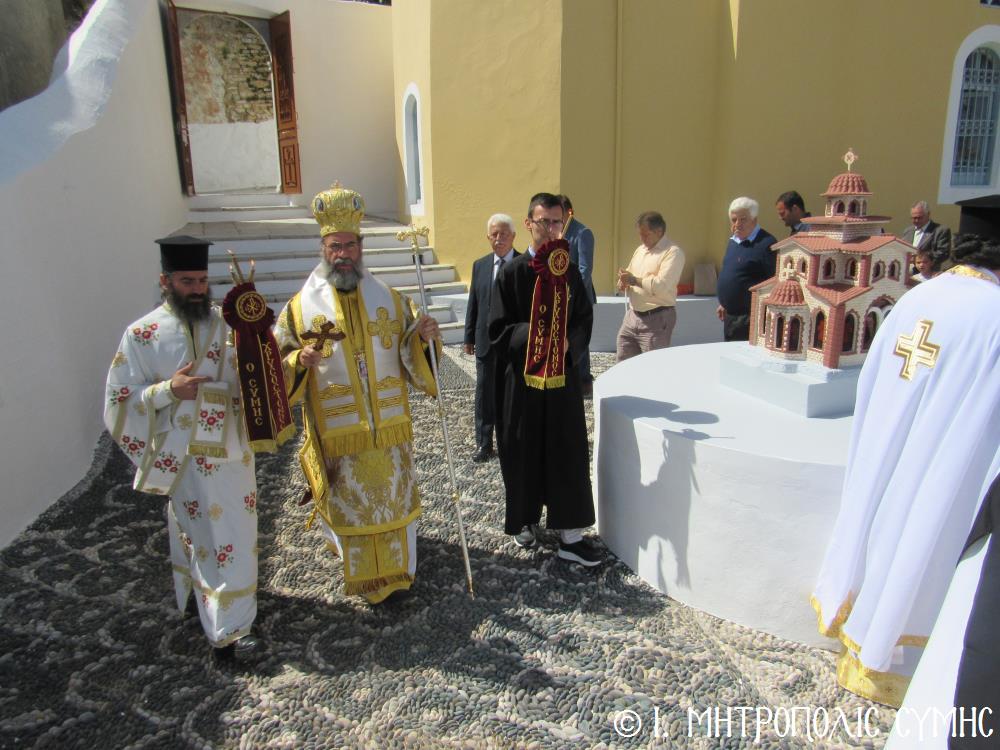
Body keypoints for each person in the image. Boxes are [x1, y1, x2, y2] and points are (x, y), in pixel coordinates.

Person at [811, 235, 1000, 708]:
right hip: (945, 458)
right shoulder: (994, 314)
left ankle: (853, 615)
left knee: (882, 516)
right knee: (922, 533)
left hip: (889, 444)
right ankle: (891, 647)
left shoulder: (919, 295)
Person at [274, 183, 441, 604]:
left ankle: (400, 574)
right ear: (323, 248)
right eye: (335, 246)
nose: (343, 253)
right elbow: (278, 361)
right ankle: (367, 581)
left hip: (388, 433)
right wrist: (299, 363)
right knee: (355, 504)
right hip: (341, 434)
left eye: (350, 245)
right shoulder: (298, 309)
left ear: (361, 247)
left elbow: (412, 348)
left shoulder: (391, 298)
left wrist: (424, 338)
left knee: (392, 503)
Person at [104, 235, 262, 660]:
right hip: (184, 455)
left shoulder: (227, 324)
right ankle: (229, 629)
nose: (196, 288)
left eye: (202, 280)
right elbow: (119, 401)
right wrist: (167, 391)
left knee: (237, 533)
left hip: (231, 449)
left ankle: (232, 612)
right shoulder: (142, 334)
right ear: (165, 280)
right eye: (187, 279)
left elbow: (257, 371)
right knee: (205, 534)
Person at [488, 192, 601, 566]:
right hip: (522, 386)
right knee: (522, 451)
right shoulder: (512, 272)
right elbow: (498, 331)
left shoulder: (568, 270)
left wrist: (569, 343)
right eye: (544, 222)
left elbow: (584, 318)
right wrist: (536, 336)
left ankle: (571, 536)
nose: (551, 229)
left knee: (567, 451)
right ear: (529, 224)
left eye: (557, 222)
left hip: (562, 384)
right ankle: (524, 522)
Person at [464, 214, 519, 462]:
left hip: (512, 345)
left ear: (513, 236)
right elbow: (473, 303)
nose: (499, 239)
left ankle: (511, 443)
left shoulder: (524, 264)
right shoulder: (480, 265)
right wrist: (468, 337)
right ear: (488, 237)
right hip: (485, 342)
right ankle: (484, 444)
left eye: (504, 234)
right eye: (494, 234)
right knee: (484, 395)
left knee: (511, 396)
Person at [615, 211, 685, 361]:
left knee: (652, 365)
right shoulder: (640, 250)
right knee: (623, 360)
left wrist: (633, 280)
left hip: (657, 318)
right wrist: (623, 281)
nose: (642, 238)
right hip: (633, 316)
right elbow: (630, 274)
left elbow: (661, 285)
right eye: (640, 234)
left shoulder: (673, 253)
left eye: (645, 235)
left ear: (659, 232)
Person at [716, 197, 777, 341]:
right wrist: (724, 303)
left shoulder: (767, 244)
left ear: (754, 220)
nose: (737, 224)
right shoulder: (733, 241)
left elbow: (774, 281)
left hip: (750, 318)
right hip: (730, 316)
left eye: (743, 219)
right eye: (734, 219)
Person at [559, 195, 597, 396]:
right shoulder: (557, 232)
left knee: (579, 338)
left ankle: (584, 381)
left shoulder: (582, 233)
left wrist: (572, 296)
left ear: (568, 211)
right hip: (559, 297)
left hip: (578, 298)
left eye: (559, 212)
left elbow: (585, 269)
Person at [900, 200, 952, 271]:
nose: (916, 220)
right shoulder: (908, 231)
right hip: (906, 272)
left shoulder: (940, 230)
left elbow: (943, 253)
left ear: (928, 215)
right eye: (913, 218)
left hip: (928, 274)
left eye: (919, 217)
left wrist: (919, 259)